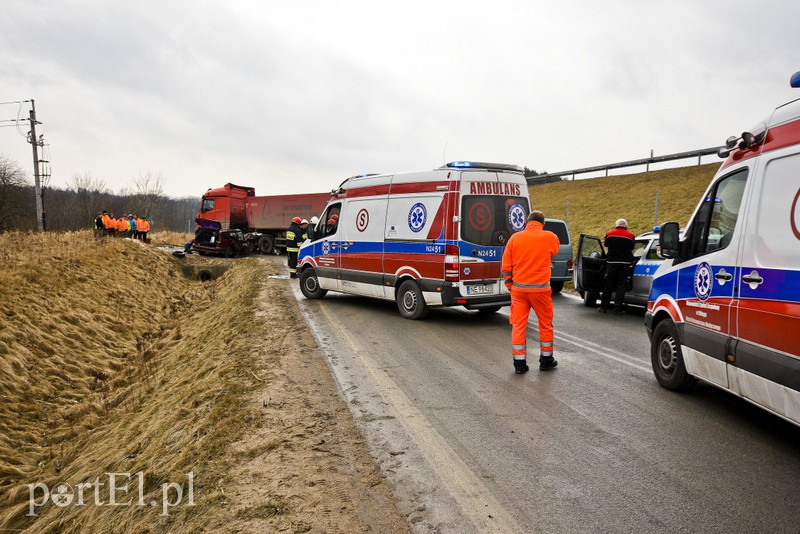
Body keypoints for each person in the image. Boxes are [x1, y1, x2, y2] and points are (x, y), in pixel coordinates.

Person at [501, 210, 560, 374]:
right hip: (541, 291)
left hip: (518, 290)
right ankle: (546, 360)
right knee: (545, 325)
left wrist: (510, 285)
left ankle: (519, 364)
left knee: (518, 326)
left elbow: (506, 266)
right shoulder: (550, 237)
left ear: (527, 221)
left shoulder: (515, 238)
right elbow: (554, 251)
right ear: (543, 223)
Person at [599, 218, 635, 315]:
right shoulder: (630, 235)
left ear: (616, 224)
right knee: (621, 286)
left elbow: (606, 244)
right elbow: (632, 247)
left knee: (608, 285)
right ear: (626, 226)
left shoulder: (609, 234)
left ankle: (603, 307)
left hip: (612, 262)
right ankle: (617, 308)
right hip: (625, 264)